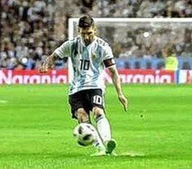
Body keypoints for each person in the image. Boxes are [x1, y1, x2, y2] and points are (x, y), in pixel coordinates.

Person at [39, 15, 128, 156]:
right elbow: (54, 56)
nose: (86, 37)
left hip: (95, 86)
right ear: (78, 31)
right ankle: (100, 148)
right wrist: (47, 64)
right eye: (83, 33)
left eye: (89, 33)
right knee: (82, 117)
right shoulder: (72, 44)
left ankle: (108, 141)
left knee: (98, 111)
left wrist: (120, 93)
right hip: (76, 88)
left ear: (95, 30)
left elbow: (113, 72)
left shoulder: (102, 47)